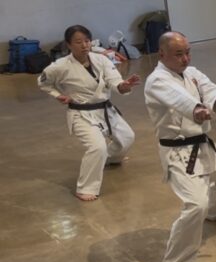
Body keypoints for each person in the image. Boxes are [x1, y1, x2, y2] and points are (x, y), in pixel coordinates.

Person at [144, 31, 216, 262]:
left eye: (188, 52)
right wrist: (196, 109)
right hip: (178, 150)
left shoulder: (192, 74)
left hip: (202, 143)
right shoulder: (156, 80)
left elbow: (211, 93)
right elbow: (178, 99)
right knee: (196, 204)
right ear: (162, 54)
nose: (186, 58)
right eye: (179, 54)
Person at [38, 25, 140, 202]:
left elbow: (115, 81)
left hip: (105, 109)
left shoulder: (102, 60)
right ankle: (85, 187)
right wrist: (57, 95)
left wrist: (124, 86)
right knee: (97, 147)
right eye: (78, 42)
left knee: (127, 137)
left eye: (87, 40)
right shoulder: (59, 66)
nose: (84, 45)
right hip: (81, 113)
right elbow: (43, 82)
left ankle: (110, 158)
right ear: (69, 45)